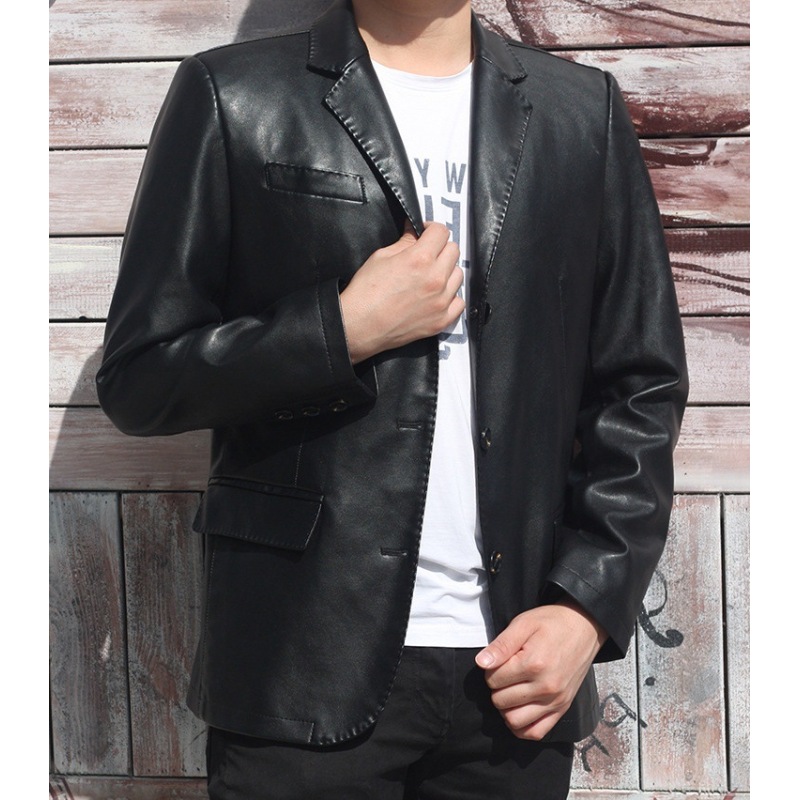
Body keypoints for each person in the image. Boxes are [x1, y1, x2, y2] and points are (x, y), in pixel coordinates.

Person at [96, 0, 688, 796]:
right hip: (301, 666)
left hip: (515, 672)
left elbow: (641, 385)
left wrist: (585, 607)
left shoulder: (581, 113)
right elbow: (139, 376)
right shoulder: (233, 94)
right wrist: (339, 330)